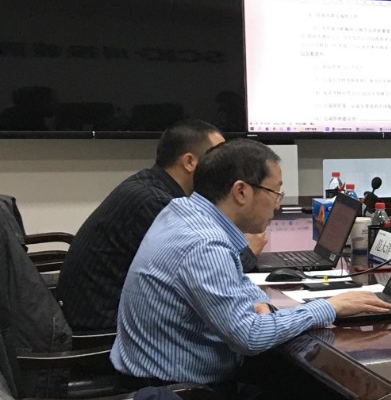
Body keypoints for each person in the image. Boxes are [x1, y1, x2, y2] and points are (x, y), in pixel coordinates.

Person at [111, 139, 391, 386]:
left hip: (158, 374)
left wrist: (259, 303)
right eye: (275, 192)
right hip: (178, 396)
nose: (278, 204)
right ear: (241, 191)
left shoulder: (184, 211)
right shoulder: (205, 244)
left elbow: (236, 284)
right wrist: (330, 307)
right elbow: (250, 337)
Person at [57, 120, 267, 331]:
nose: (227, 169)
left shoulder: (149, 185)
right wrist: (247, 252)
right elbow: (205, 275)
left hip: (93, 308)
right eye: (217, 158)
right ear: (189, 162)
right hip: (101, 322)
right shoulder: (156, 203)